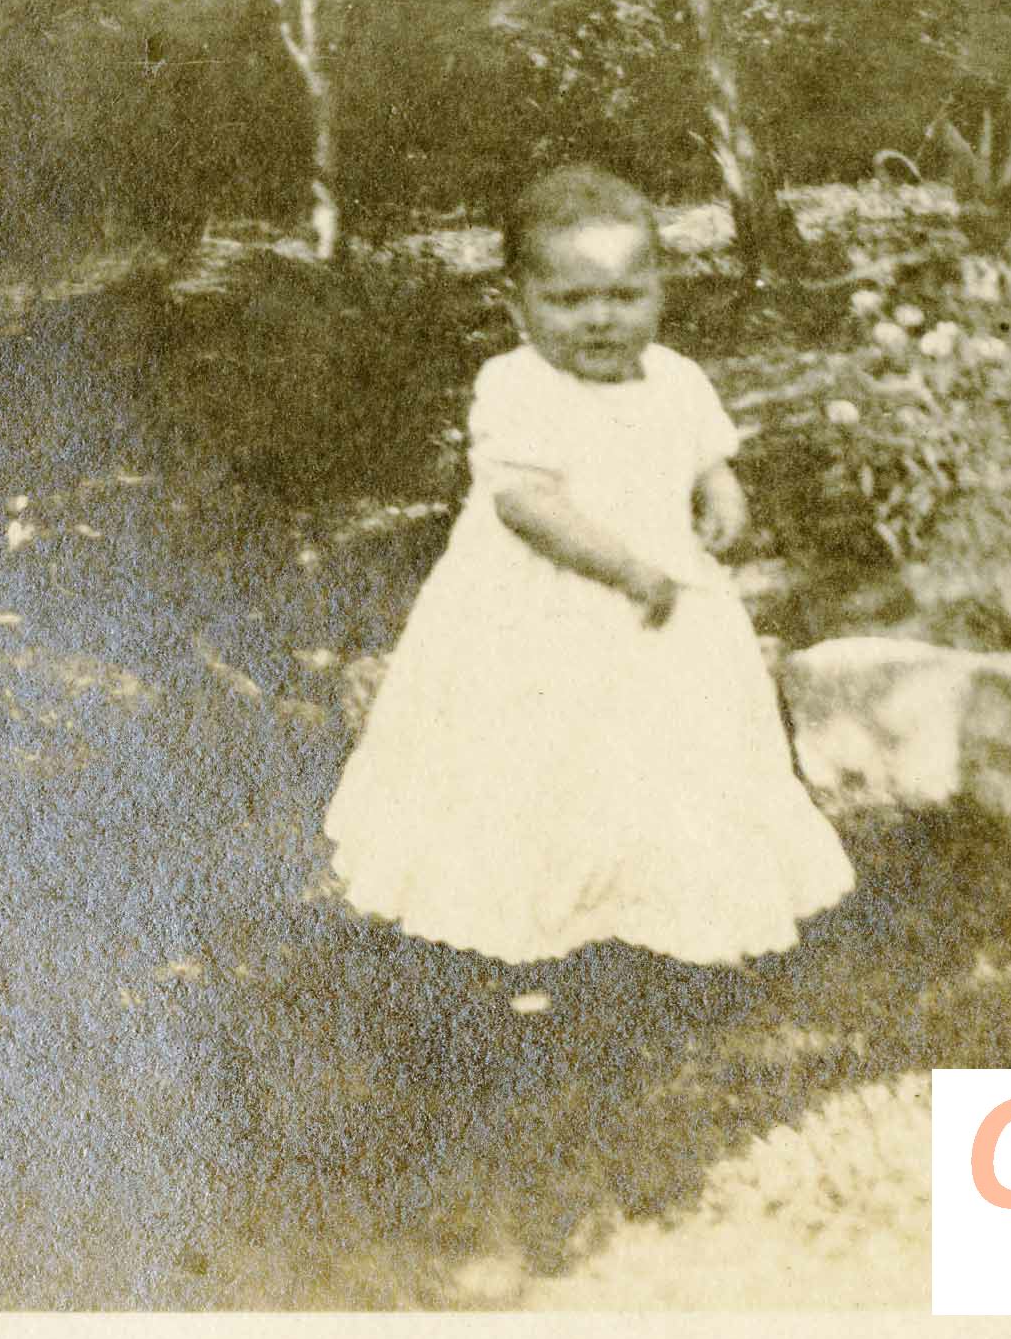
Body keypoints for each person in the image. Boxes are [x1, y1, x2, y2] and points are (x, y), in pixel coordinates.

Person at [320, 165, 853, 992]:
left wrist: (721, 494)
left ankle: (680, 906)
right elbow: (527, 505)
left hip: (661, 615)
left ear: (658, 291)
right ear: (518, 303)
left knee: (672, 754)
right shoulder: (518, 384)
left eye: (624, 295)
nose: (601, 319)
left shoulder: (676, 375)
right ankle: (530, 920)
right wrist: (629, 567)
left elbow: (707, 454)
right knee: (547, 760)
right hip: (541, 613)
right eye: (569, 301)